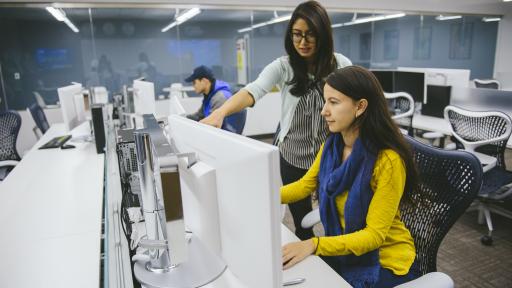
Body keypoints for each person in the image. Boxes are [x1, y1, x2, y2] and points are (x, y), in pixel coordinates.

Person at [201, 0, 352, 240]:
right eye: (297, 35)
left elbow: (356, 103)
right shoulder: (283, 67)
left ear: (323, 35)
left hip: (330, 157)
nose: (302, 42)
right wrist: (220, 113)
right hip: (293, 157)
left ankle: (338, 267)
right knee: (303, 225)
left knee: (336, 220)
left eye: (310, 35)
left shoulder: (341, 65)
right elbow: (253, 90)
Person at [280, 66, 420, 288]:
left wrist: (314, 244)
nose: (324, 111)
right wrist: (261, 195)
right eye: (325, 101)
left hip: (384, 261)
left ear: (360, 106)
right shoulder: (332, 146)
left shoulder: (387, 161)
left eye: (333, 102)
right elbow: (303, 186)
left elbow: (373, 236)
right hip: (344, 252)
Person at [185, 65, 245, 134]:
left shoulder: (220, 98)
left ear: (204, 81)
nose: (193, 86)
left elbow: (211, 125)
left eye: (194, 82)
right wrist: (184, 118)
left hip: (226, 139)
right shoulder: (209, 95)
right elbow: (199, 115)